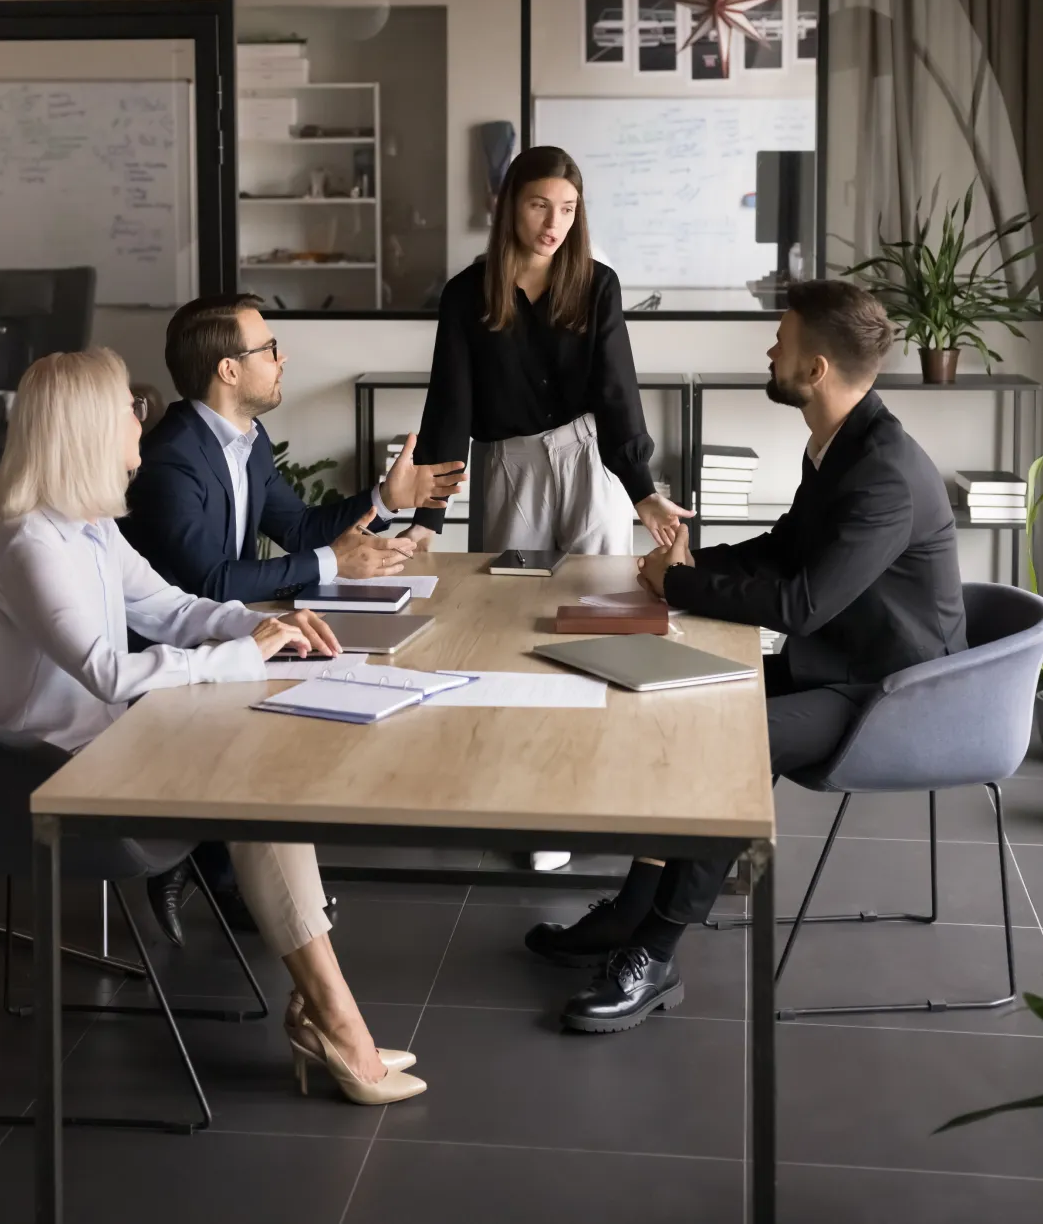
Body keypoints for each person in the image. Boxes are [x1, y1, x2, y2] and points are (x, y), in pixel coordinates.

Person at [0, 347, 426, 1104]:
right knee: (252, 783)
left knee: (259, 773)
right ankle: (333, 1019)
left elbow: (172, 609)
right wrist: (242, 652)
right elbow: (108, 670)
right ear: (83, 428)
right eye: (127, 408)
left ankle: (329, 1012)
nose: (142, 417)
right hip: (36, 778)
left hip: (93, 747)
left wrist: (267, 623)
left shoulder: (89, 528)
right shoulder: (26, 543)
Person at [525, 280, 967, 1031]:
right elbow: (785, 549)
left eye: (782, 338)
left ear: (816, 367)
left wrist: (685, 583)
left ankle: (655, 958)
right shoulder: (840, 442)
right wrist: (682, 572)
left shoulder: (883, 475)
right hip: (838, 662)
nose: (769, 349)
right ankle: (633, 909)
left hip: (894, 694)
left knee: (727, 745)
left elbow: (800, 604)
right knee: (682, 709)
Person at [122, 294, 467, 942]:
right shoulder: (173, 455)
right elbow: (209, 579)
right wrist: (331, 565)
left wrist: (381, 500)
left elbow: (296, 526)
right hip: (170, 651)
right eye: (268, 349)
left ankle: (215, 858)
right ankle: (219, 865)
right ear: (228, 370)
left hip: (228, 631)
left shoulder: (246, 442)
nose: (283, 358)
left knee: (344, 664)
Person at [398, 145, 691, 871]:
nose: (553, 222)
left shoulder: (597, 286)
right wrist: (426, 518)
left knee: (602, 617)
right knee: (510, 627)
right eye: (538, 205)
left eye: (567, 208)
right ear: (509, 206)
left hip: (588, 461)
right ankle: (527, 800)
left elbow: (617, 394)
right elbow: (449, 406)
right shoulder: (467, 293)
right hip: (509, 471)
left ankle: (604, 787)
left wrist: (643, 488)